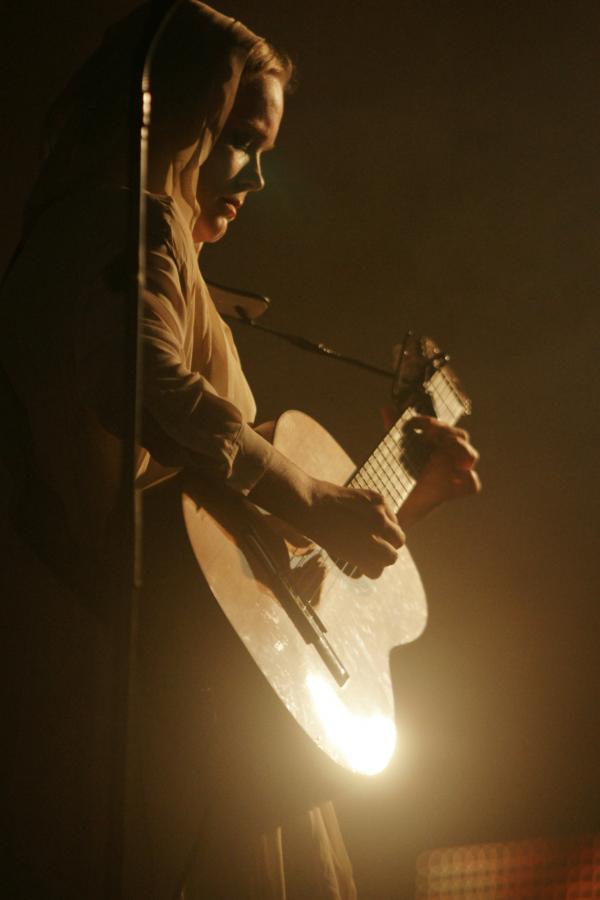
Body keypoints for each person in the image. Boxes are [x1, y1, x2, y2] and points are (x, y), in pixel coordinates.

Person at [0, 2, 480, 897]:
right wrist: (305, 494)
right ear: (181, 116)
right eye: (242, 140)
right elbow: (140, 384)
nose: (256, 178)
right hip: (154, 719)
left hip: (189, 693)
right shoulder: (125, 227)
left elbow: (231, 555)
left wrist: (384, 505)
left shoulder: (126, 240)